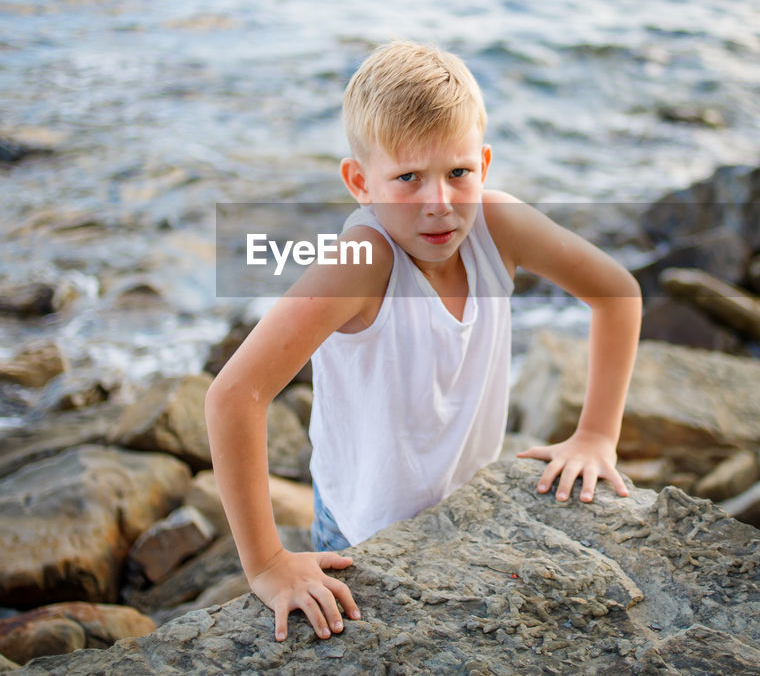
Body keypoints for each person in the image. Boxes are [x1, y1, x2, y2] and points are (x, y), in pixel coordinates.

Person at [205, 41, 642, 643]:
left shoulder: (497, 225)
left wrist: (596, 436)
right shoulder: (359, 263)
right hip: (365, 535)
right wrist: (267, 564)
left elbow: (617, 292)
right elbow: (233, 395)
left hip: (465, 513)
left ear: (483, 165)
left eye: (458, 173)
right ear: (360, 182)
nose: (438, 204)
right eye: (407, 177)